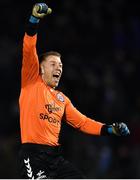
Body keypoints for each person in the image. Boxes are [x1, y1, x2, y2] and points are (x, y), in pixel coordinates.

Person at [18, 3, 130, 179]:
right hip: (33, 156)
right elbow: (28, 49)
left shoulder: (62, 99)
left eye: (61, 65)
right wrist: (34, 20)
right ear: (40, 69)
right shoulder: (31, 81)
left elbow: (83, 123)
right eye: (53, 64)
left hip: (55, 158)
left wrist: (110, 129)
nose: (59, 68)